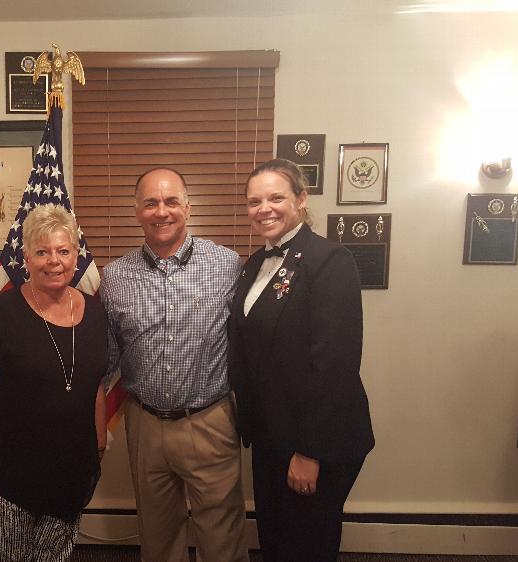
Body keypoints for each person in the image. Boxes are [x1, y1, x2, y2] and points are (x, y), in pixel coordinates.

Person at [229, 158, 374, 562]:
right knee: (275, 540)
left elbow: (335, 365)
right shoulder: (256, 263)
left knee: (307, 545)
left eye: (276, 197)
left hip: (316, 439)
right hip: (272, 434)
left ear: (301, 200)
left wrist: (311, 452)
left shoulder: (330, 260)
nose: (264, 208)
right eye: (254, 201)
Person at [100, 168, 249, 562]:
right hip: (145, 425)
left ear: (188, 206)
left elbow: (250, 342)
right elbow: (106, 359)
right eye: (150, 202)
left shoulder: (228, 266)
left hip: (210, 420)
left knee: (223, 541)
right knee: (158, 538)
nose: (161, 211)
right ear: (137, 211)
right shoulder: (114, 277)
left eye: (170, 201)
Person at [0, 203, 108, 562]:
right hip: (7, 481)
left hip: (70, 475)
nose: (53, 261)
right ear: (26, 257)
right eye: (41, 252)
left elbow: (95, 385)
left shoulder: (95, 312)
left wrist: (98, 451)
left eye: (62, 250)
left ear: (76, 255)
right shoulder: (0, 313)